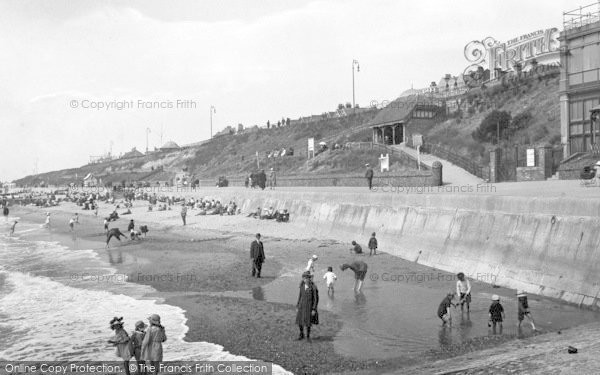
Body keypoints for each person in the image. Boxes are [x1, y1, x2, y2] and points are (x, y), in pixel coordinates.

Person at [296, 271, 319, 341]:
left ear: (309, 279)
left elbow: (316, 299)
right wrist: (297, 305)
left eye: (307, 278)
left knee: (308, 322)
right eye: (304, 278)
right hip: (301, 306)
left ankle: (308, 336)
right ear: (303, 279)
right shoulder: (302, 286)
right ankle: (301, 334)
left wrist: (314, 309)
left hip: (309, 307)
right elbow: (300, 296)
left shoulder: (313, 287)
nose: (306, 279)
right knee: (299, 321)